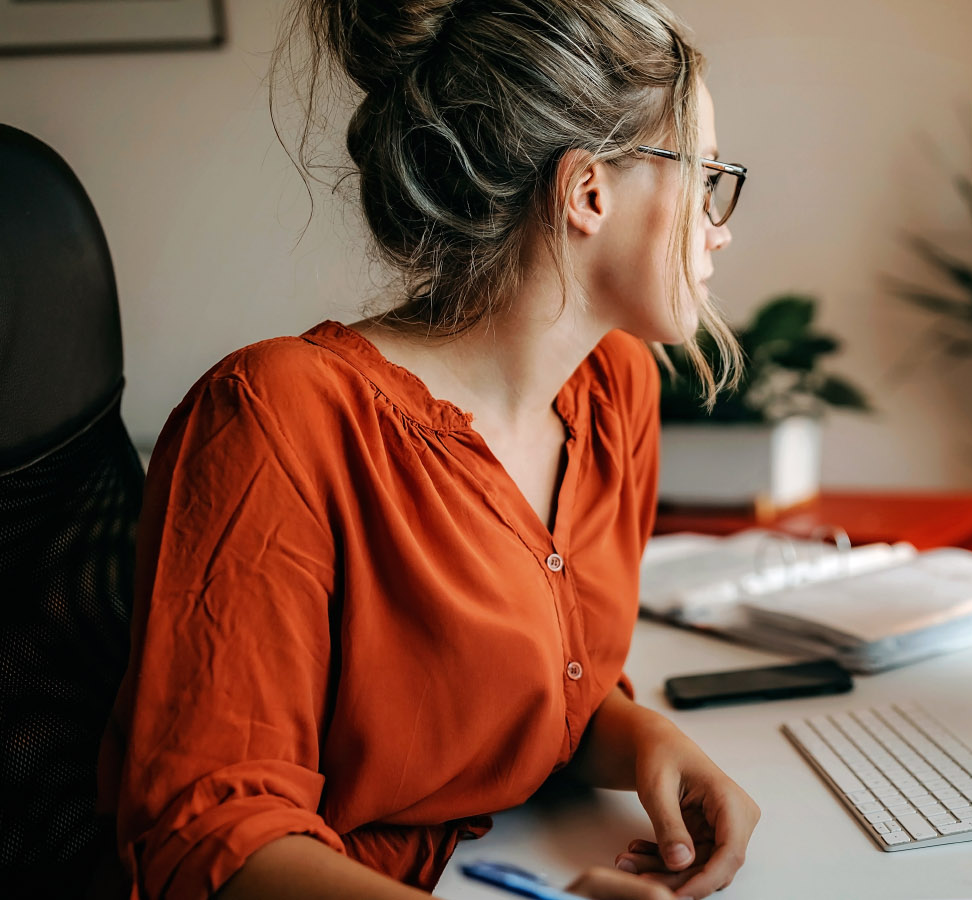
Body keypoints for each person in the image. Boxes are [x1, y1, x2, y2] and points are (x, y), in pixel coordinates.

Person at [97, 1, 758, 898]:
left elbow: (518, 695)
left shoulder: (616, 392)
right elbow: (207, 833)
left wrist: (646, 742)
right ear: (587, 192)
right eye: (705, 174)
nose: (719, 226)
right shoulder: (277, 416)